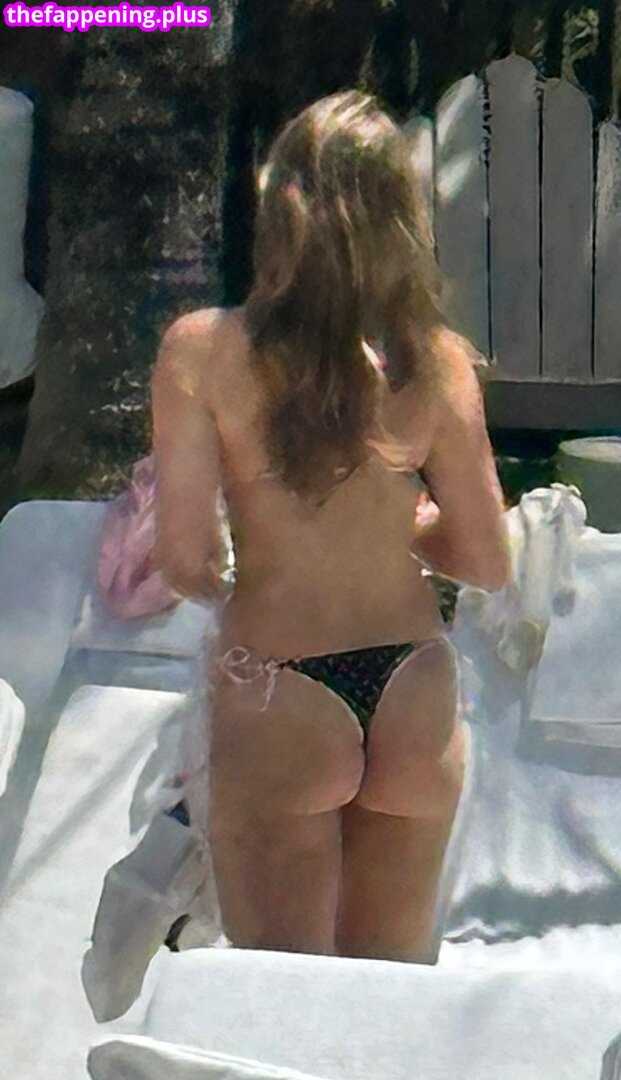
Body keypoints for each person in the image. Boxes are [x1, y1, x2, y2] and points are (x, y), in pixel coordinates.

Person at [150, 90, 510, 963]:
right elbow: (486, 560)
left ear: (279, 208)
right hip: (412, 685)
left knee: (280, 998)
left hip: (278, 685)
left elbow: (185, 560)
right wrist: (404, 525)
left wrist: (249, 559)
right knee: (384, 998)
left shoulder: (202, 351)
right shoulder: (438, 363)